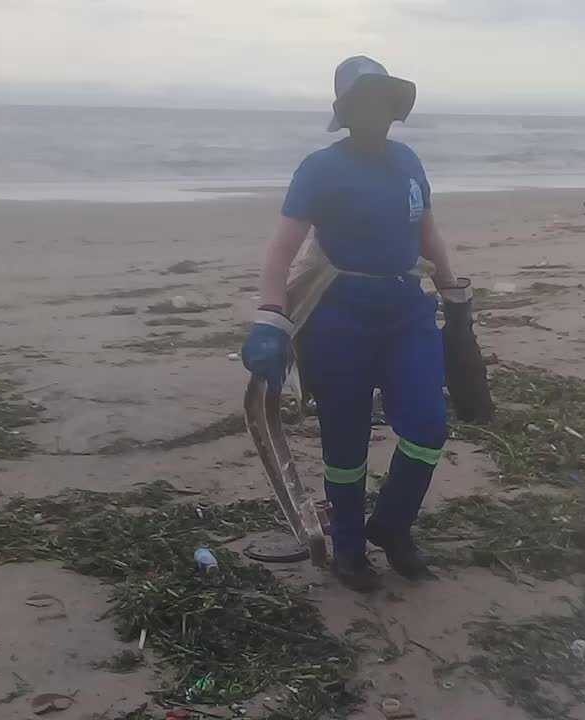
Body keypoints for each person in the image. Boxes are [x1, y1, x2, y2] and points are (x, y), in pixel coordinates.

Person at [241, 56, 464, 593]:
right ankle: (347, 546)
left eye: (384, 99)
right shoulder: (320, 168)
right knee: (346, 442)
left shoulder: (409, 162)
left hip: (407, 312)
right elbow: (281, 249)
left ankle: (391, 526)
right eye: (363, 100)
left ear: (394, 106)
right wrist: (271, 316)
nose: (376, 109)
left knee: (429, 425)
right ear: (345, 110)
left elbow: (427, 235)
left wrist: (455, 292)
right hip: (339, 318)